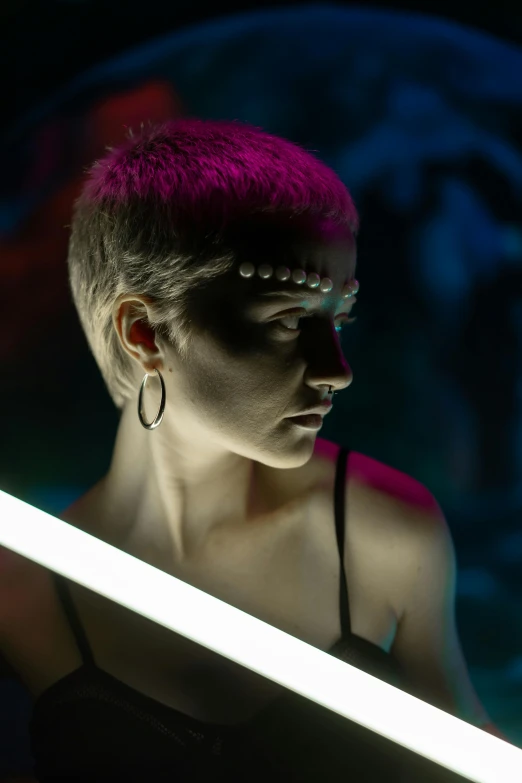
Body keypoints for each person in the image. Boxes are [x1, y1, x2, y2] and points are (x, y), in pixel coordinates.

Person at [0, 118, 508, 781]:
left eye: (338, 319)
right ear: (144, 331)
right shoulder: (20, 596)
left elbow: (468, 752)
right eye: (287, 319)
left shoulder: (384, 534)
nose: (337, 367)